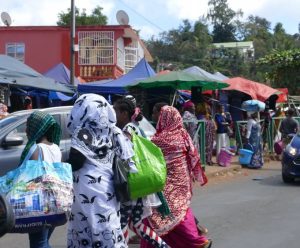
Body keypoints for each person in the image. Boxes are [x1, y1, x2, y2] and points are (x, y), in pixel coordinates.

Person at [67, 94, 134, 248]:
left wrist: (60, 167)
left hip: (86, 189)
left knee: (85, 229)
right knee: (107, 226)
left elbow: (76, 162)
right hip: (108, 188)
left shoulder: (83, 132)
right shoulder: (114, 131)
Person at [141, 106, 211, 248]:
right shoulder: (183, 134)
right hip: (183, 181)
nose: (154, 115)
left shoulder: (161, 139)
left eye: (156, 113)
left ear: (165, 118)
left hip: (169, 183)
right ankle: (194, 240)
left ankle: (195, 242)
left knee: (166, 213)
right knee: (180, 210)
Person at [114, 97, 169, 248]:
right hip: (139, 184)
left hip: (130, 184)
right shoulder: (136, 127)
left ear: (124, 113)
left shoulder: (126, 131)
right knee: (137, 224)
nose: (113, 115)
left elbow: (124, 156)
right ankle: (163, 246)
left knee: (121, 224)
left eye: (116, 111)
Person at [20, 110, 62, 248]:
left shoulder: (36, 149)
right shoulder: (56, 147)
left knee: (39, 243)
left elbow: (26, 177)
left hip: (39, 205)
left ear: (35, 127)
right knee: (44, 241)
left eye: (28, 126)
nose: (26, 130)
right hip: (56, 202)